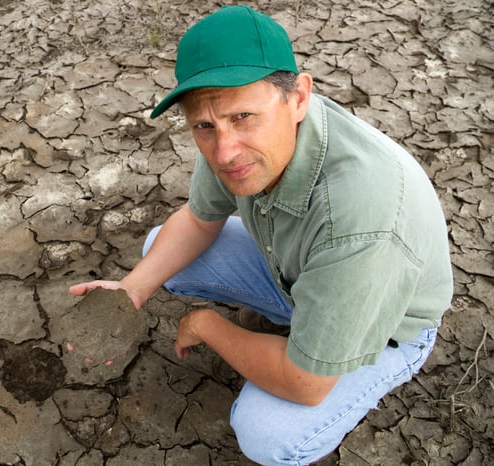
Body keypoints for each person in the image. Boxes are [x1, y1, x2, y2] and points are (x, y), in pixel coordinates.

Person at [70, 5, 453, 465]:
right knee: (158, 251)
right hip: (301, 272)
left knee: (269, 437)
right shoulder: (235, 139)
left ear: (299, 99)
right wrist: (129, 290)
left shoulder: (360, 220)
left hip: (392, 326)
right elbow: (197, 220)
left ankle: (332, 346)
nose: (225, 151)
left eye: (243, 117)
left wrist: (207, 325)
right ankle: (299, 323)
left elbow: (305, 384)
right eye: (204, 126)